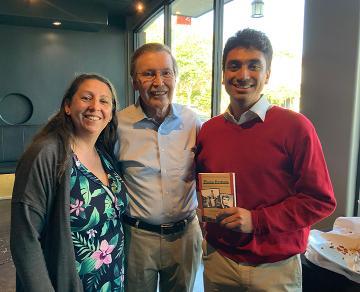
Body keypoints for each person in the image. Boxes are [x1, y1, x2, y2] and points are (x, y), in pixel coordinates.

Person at [196, 29, 336, 291]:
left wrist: (257, 220)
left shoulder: (296, 127)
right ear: (224, 75)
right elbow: (204, 185)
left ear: (267, 74)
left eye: (254, 66)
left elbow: (320, 200)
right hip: (219, 262)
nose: (243, 75)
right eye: (234, 66)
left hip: (275, 269)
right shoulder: (209, 130)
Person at [10, 73, 129, 291]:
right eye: (86, 98)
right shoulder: (47, 154)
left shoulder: (104, 154)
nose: (95, 106)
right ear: (67, 106)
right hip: (69, 283)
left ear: (111, 113)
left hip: (110, 280)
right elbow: (24, 241)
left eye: (104, 101)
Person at [115, 43, 203, 292]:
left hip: (185, 236)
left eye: (166, 72)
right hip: (137, 239)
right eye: (148, 74)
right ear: (134, 82)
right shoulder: (118, 126)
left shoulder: (192, 121)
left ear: (175, 77)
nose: (158, 82)